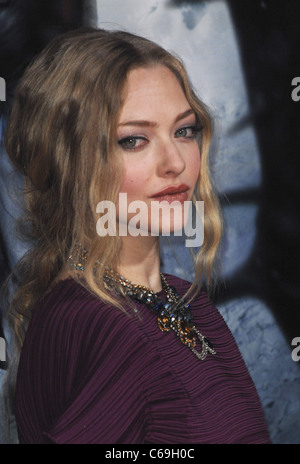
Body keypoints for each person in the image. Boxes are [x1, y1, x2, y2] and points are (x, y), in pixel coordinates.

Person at [3, 27, 271, 444]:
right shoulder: (93, 325)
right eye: (134, 140)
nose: (175, 162)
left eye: (184, 130)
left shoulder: (186, 300)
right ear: (70, 161)